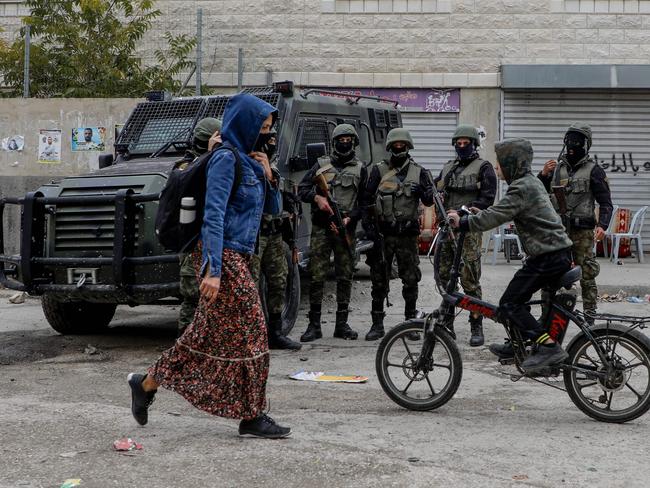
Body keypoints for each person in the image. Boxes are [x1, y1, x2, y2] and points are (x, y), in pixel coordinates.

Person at [127, 93, 291, 439]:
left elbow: (272, 210)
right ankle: (253, 414)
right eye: (261, 128)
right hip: (224, 255)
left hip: (241, 255)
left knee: (205, 334)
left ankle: (146, 383)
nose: (267, 135)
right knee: (255, 332)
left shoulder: (250, 161)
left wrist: (268, 175)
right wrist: (213, 269)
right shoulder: (224, 160)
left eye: (269, 129)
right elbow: (213, 216)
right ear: (245, 126)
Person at [448, 138, 574, 372]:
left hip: (548, 257)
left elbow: (497, 216)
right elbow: (500, 210)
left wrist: (463, 222)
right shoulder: (529, 183)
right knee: (518, 297)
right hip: (554, 254)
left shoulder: (522, 187)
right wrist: (480, 213)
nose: (497, 168)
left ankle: (548, 348)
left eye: (500, 163)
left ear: (511, 163)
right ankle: (520, 341)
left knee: (508, 304)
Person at [298, 124, 368, 342]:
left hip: (345, 229)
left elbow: (365, 202)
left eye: (349, 139)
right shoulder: (321, 165)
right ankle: (314, 325)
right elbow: (302, 190)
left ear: (354, 142)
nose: (344, 142)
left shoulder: (360, 168)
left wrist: (350, 218)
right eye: (341, 139)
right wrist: (317, 198)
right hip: (321, 228)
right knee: (317, 276)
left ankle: (341, 324)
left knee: (345, 276)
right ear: (334, 141)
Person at [363, 128, 435, 340]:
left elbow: (430, 201)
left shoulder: (419, 172)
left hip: (407, 235)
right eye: (395, 145)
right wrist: (370, 231)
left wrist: (422, 193)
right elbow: (366, 200)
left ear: (408, 146)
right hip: (384, 235)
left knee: (410, 279)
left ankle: (410, 322)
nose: (399, 147)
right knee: (379, 280)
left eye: (402, 145)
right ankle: (377, 324)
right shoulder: (378, 170)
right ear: (389, 147)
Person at [537, 122, 613, 323]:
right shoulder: (555, 169)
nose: (573, 144)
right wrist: (543, 174)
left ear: (586, 144)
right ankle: (546, 317)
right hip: (557, 231)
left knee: (587, 273)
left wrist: (602, 226)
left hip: (582, 232)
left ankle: (590, 318)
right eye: (570, 140)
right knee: (550, 273)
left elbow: (606, 202)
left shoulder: (594, 171)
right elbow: (538, 193)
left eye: (578, 141)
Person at [433, 125, 497, 346]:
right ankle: (447, 322)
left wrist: (462, 211)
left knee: (470, 279)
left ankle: (476, 323)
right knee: (444, 276)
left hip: (468, 230)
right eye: (458, 144)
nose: (462, 147)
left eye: (466, 143)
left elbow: (488, 199)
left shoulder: (484, 167)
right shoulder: (448, 167)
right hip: (447, 230)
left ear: (473, 144)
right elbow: (437, 189)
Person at [250, 132, 302, 350]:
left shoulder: (273, 170)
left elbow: (279, 204)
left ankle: (275, 332)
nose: (272, 145)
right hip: (253, 236)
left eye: (274, 141)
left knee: (278, 281)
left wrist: (269, 174)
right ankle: (251, 336)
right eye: (268, 141)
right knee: (250, 285)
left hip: (273, 234)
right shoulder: (244, 166)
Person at [176, 117, 222, 337]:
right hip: (192, 242)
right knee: (193, 298)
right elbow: (193, 184)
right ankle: (183, 348)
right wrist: (210, 155)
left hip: (210, 241)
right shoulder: (187, 166)